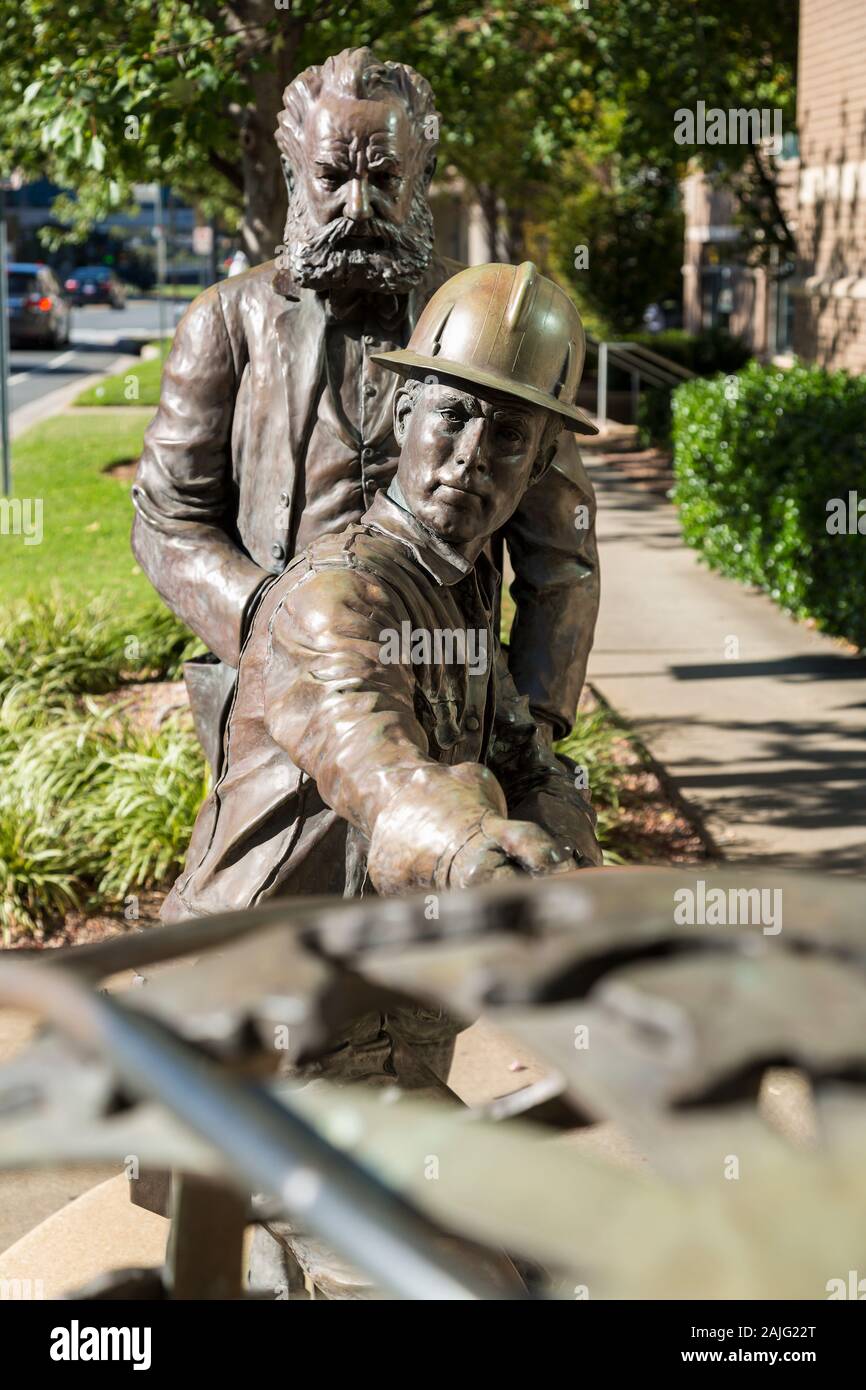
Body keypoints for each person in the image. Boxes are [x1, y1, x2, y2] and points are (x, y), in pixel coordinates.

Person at [160, 261, 603, 1296]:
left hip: (382, 1058)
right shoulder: (332, 598)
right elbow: (375, 759)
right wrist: (466, 844)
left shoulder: (455, 611)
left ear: (539, 460)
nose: (466, 460)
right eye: (450, 417)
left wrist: (576, 877)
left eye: (508, 439)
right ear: (403, 409)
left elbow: (529, 765)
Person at [130, 47, 600, 778]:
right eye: (331, 177)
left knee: (438, 871)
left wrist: (531, 724)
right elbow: (168, 520)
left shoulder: (485, 326)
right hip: (275, 717)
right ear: (294, 177)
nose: (358, 205)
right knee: (267, 892)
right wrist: (282, 629)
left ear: (422, 181)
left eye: (383, 178)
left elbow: (562, 549)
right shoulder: (226, 322)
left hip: (450, 718)